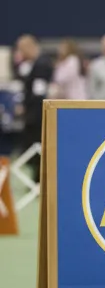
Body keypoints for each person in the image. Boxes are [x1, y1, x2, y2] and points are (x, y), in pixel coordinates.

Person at [13, 35, 53, 183]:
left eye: (21, 50)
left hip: (37, 116)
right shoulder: (33, 63)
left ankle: (39, 181)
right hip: (33, 114)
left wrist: (29, 112)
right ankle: (36, 180)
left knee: (37, 148)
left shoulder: (41, 64)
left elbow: (39, 93)